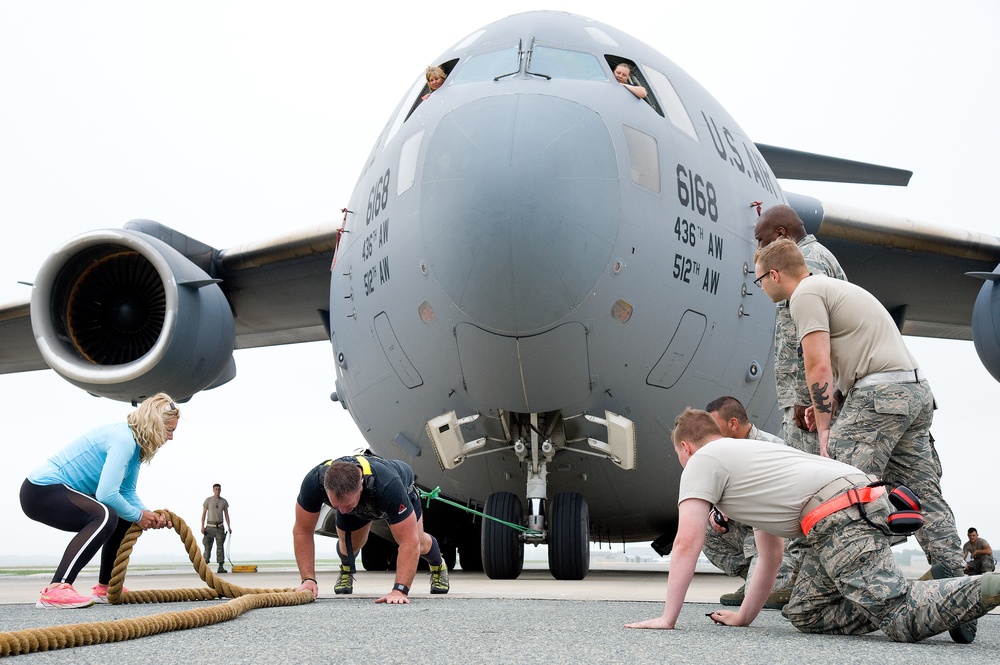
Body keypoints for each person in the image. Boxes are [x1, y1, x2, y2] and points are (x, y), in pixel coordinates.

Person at [624, 407, 1000, 642]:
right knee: (806, 612)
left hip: (840, 514)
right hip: (847, 506)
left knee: (901, 618)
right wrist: (743, 617)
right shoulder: (749, 458)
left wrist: (666, 618)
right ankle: (920, 593)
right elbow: (770, 556)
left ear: (686, 448)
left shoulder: (703, 460)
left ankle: (981, 588)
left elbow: (686, 544)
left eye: (679, 457)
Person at [754, 238, 965, 577]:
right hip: (913, 391)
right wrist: (832, 401)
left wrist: (824, 428)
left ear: (775, 275)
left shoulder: (804, 295)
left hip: (880, 394)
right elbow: (859, 354)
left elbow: (817, 363)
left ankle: (852, 580)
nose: (760, 287)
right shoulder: (832, 288)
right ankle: (954, 577)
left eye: (759, 279)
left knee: (837, 481)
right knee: (921, 487)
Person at [19, 393, 179, 609]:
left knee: (123, 513)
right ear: (154, 424)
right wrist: (139, 516)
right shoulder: (123, 439)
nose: (171, 438)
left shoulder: (136, 445)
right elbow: (105, 495)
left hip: (58, 492)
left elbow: (126, 492)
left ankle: (105, 587)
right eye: (169, 430)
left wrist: (148, 514)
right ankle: (57, 588)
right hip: (40, 491)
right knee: (105, 514)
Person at [292, 453, 449, 603]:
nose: (341, 511)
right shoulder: (314, 482)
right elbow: (302, 532)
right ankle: (346, 568)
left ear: (360, 486)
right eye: (336, 506)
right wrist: (308, 579)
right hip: (359, 503)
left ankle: (438, 565)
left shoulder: (388, 485)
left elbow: (409, 542)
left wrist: (399, 590)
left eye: (346, 506)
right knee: (348, 547)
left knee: (419, 543)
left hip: (396, 492)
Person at [754, 205, 847, 456]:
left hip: (810, 406)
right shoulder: (814, 256)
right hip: (818, 401)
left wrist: (806, 400)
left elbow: (808, 343)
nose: (759, 249)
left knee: (810, 481)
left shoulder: (805, 262)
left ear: (781, 233)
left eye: (761, 241)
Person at [702, 396, 795, 609]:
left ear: (733, 424)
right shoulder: (723, 453)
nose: (710, 436)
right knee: (707, 532)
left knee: (764, 600)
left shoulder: (771, 448)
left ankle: (780, 583)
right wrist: (716, 510)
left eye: (715, 428)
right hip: (748, 527)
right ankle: (754, 581)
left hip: (775, 528)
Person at [201, 483, 231, 574]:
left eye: (219, 489)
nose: (217, 491)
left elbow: (226, 514)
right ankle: (204, 566)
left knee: (220, 548)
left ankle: (221, 566)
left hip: (220, 527)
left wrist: (229, 526)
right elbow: (203, 514)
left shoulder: (224, 501)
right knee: (207, 547)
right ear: (213, 490)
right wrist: (202, 526)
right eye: (216, 489)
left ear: (220, 490)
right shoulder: (208, 500)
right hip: (209, 527)